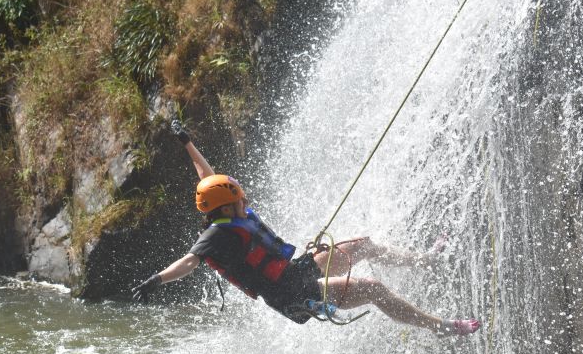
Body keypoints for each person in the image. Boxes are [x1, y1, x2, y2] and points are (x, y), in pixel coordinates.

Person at [130, 120, 480, 335]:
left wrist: (186, 142)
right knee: (373, 288)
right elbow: (189, 262)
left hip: (295, 271)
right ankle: (441, 327)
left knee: (363, 244)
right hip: (292, 294)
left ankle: (425, 261)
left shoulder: (225, 210)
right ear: (227, 203)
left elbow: (208, 178)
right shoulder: (217, 236)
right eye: (239, 195)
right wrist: (156, 280)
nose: (245, 198)